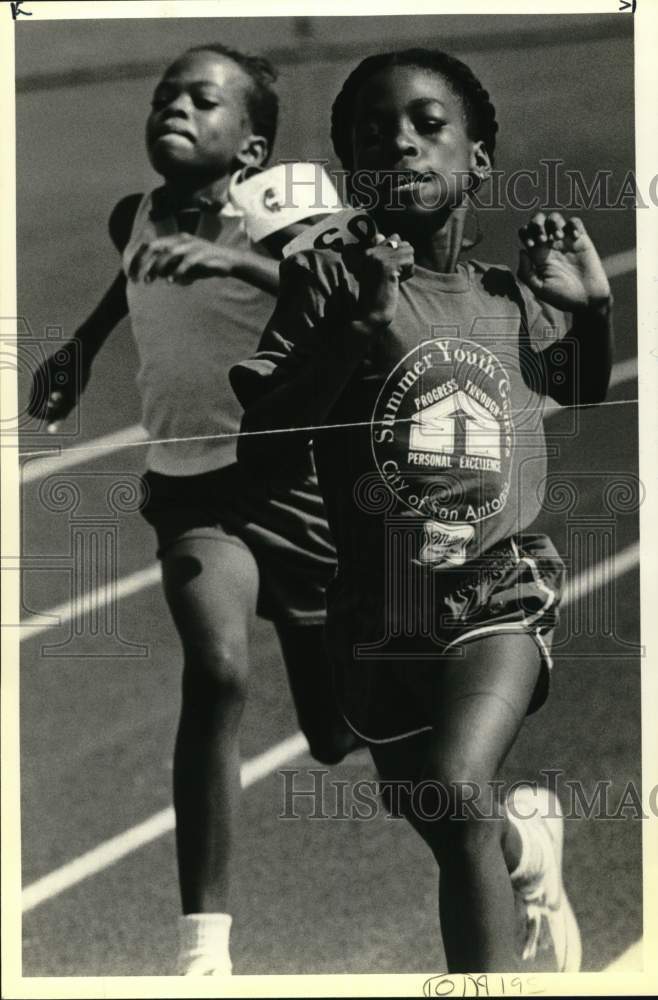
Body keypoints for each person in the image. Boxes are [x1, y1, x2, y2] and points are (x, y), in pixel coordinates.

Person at [232, 48, 614, 972]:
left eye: (426, 126)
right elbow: (268, 444)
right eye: (372, 136)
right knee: (452, 825)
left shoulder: (507, 295)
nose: (399, 144)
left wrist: (593, 310)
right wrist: (356, 326)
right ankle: (528, 848)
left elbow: (580, 386)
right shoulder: (328, 283)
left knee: (451, 785)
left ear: (478, 157)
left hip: (499, 590)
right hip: (377, 610)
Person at [28, 43, 358, 976]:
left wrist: (233, 263)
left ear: (250, 151)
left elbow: (340, 297)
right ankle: (203, 951)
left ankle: (512, 846)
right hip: (194, 495)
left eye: (203, 101)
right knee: (216, 671)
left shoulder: (284, 215)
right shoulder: (133, 216)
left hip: (297, 490)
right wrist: (84, 347)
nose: (176, 106)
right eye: (167, 94)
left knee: (341, 736)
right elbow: (138, 276)